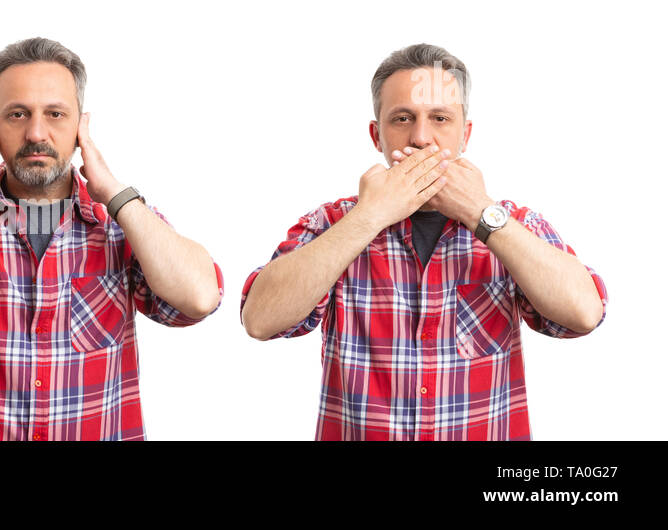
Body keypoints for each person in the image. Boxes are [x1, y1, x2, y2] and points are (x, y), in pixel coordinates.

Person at [0, 37, 224, 440]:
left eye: (56, 114)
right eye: (17, 114)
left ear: (81, 126)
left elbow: (200, 298)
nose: (36, 132)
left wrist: (116, 194)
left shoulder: (122, 222)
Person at [240, 43, 607, 440]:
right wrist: (369, 216)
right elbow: (259, 320)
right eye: (402, 118)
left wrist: (481, 213)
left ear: (464, 135)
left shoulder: (512, 225)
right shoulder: (333, 224)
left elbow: (585, 313)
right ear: (375, 134)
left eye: (440, 118)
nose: (420, 137)